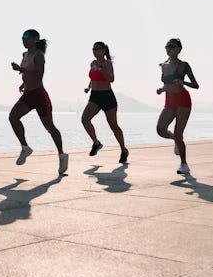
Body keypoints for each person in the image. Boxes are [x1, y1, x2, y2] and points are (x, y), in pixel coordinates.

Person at [9, 29, 68, 175]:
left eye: (26, 37)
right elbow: (29, 74)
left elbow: (39, 74)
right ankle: (25, 148)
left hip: (39, 95)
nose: (23, 39)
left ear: (35, 39)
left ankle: (62, 155)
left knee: (50, 127)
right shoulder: (25, 55)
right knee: (13, 117)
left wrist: (21, 69)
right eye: (22, 37)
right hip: (28, 94)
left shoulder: (39, 55)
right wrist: (23, 83)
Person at [155, 38, 199, 175]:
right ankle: (175, 139)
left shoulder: (183, 65)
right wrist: (162, 90)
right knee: (161, 129)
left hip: (183, 101)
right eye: (167, 47)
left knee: (179, 133)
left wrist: (183, 82)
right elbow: (167, 84)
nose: (169, 49)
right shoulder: (163, 65)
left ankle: (184, 164)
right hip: (169, 101)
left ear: (179, 49)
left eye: (172, 46)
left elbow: (196, 85)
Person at [81, 41, 129, 163]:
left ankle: (124, 150)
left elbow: (111, 79)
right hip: (95, 96)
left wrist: (101, 69)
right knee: (85, 119)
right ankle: (96, 143)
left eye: (97, 49)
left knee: (113, 125)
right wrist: (88, 87)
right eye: (93, 49)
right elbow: (92, 77)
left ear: (103, 50)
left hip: (107, 96)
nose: (95, 51)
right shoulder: (92, 63)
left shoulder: (107, 63)